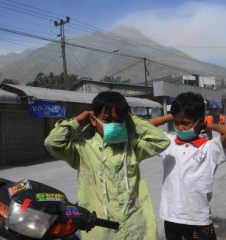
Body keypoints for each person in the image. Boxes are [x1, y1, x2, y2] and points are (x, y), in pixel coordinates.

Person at [44, 91, 170, 240]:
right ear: (94, 120)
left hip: (136, 228)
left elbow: (162, 141)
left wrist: (132, 119)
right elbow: (52, 143)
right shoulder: (83, 149)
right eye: (107, 120)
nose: (113, 125)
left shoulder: (132, 147)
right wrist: (77, 121)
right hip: (101, 231)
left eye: (119, 121)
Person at [150, 92, 226, 240]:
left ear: (199, 121)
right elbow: (144, 127)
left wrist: (207, 124)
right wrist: (172, 115)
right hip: (172, 218)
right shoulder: (168, 143)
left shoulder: (210, 148)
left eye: (185, 123)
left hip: (199, 219)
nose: (180, 127)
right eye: (176, 123)